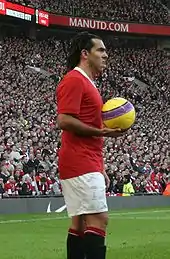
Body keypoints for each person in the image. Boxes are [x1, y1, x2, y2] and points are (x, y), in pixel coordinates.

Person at [56, 31, 124, 259]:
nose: (106, 55)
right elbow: (64, 120)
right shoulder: (74, 79)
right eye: (101, 50)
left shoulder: (88, 83)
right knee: (98, 219)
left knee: (79, 223)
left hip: (87, 160)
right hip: (80, 160)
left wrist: (101, 167)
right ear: (85, 54)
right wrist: (101, 131)